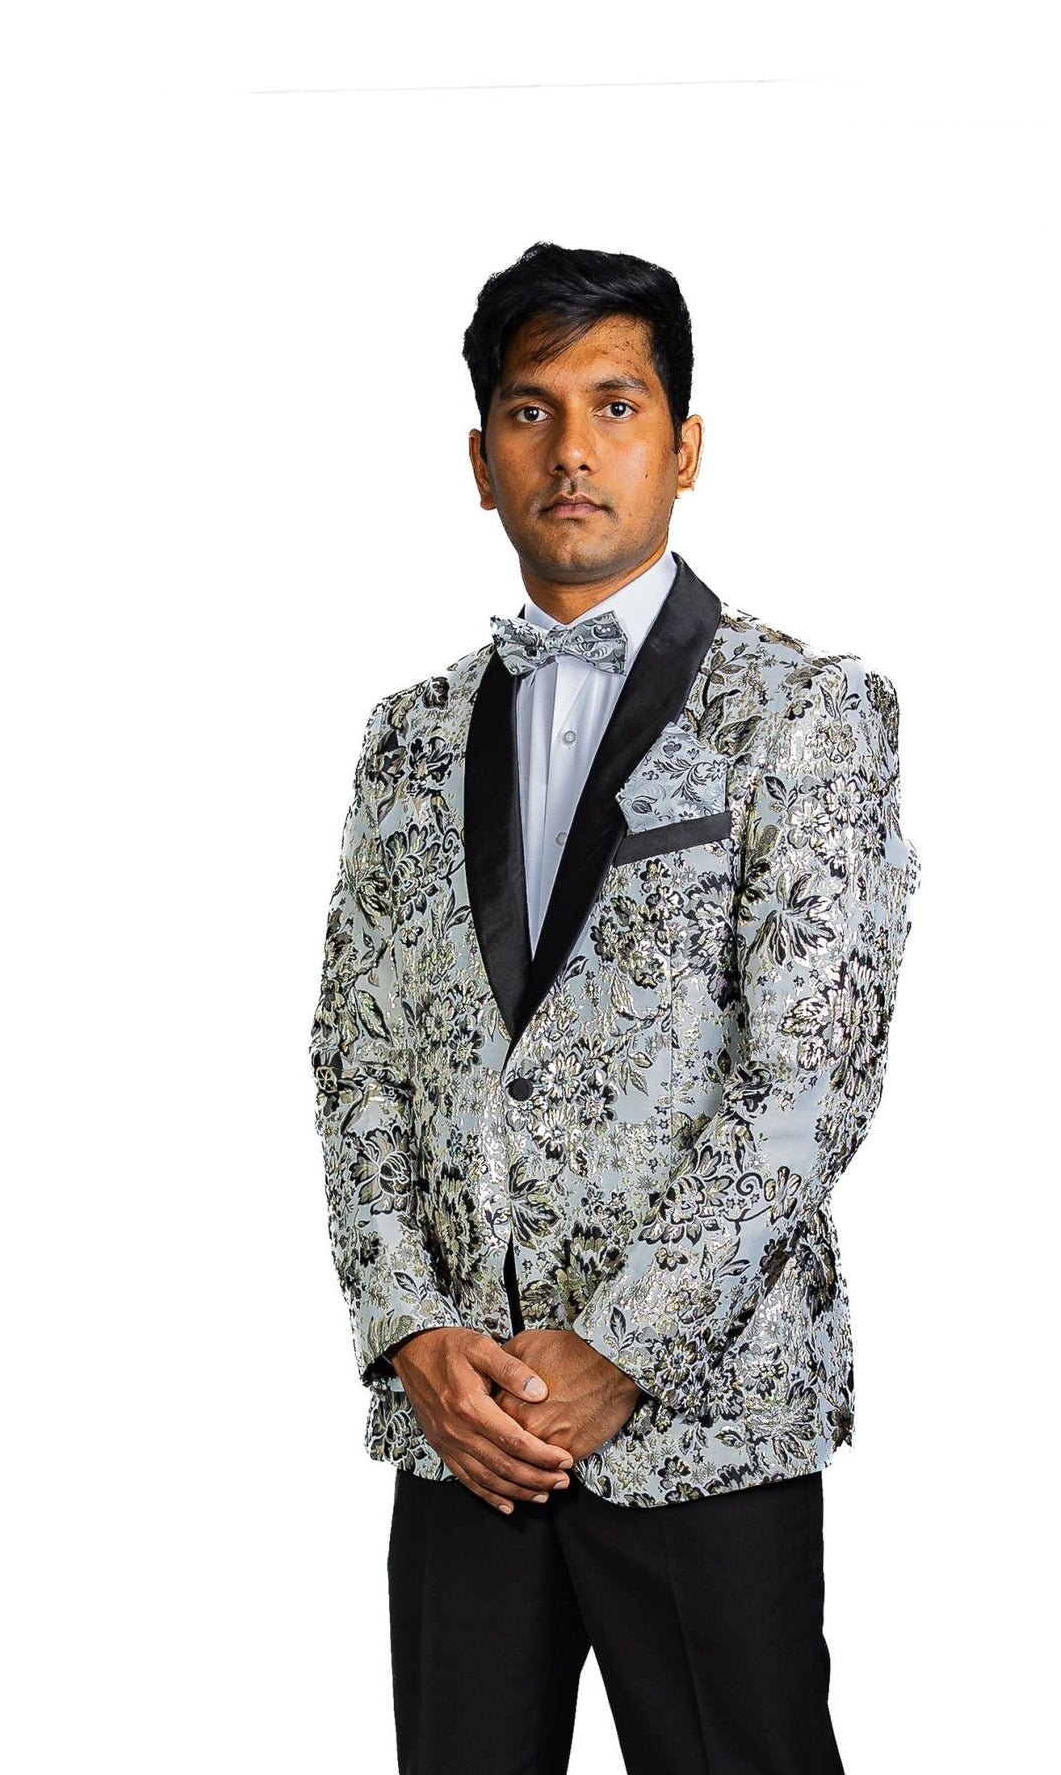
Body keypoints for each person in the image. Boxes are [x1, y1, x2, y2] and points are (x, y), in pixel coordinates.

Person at [309, 241, 919, 1775]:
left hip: (703, 1427)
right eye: (531, 411)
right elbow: (356, 1062)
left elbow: (811, 1076)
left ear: (685, 447)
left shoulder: (805, 710)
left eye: (616, 405)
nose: (571, 450)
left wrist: (622, 1349)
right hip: (467, 1435)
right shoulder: (405, 738)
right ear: (481, 459)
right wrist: (412, 1331)